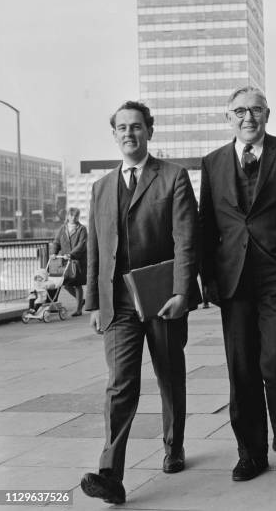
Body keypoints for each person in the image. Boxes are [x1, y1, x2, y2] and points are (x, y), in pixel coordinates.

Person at [198, 86, 276, 482]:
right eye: (239, 111)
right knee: (242, 368)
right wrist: (207, 278)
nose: (247, 118)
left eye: (255, 110)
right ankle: (249, 452)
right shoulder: (213, 162)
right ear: (228, 118)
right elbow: (206, 225)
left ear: (267, 113)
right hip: (234, 279)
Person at [80, 101, 199, 505]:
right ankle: (110, 472)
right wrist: (94, 303)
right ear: (114, 135)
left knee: (169, 375)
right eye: (122, 128)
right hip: (118, 304)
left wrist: (183, 292)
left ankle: (173, 445)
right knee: (120, 384)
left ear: (149, 131)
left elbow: (186, 239)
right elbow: (95, 250)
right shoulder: (100, 188)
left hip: (161, 296)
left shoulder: (173, 177)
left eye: (136, 127)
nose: (129, 134)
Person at [51, 207, 87, 316]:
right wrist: (54, 253)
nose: (73, 218)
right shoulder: (63, 228)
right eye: (71, 215)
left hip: (77, 261)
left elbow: (81, 245)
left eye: (76, 216)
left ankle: (78, 310)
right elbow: (56, 242)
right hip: (65, 262)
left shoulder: (82, 229)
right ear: (68, 216)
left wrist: (71, 254)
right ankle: (80, 301)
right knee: (65, 284)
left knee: (77, 284)